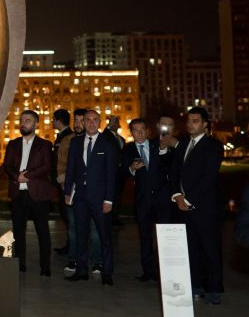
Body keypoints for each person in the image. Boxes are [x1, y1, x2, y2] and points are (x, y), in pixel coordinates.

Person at [170, 107, 224, 304]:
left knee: (210, 248)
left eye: (195, 121)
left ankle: (214, 288)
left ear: (204, 124)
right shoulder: (183, 144)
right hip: (182, 206)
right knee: (189, 248)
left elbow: (208, 178)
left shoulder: (214, 146)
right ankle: (195, 286)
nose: (190, 124)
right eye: (189, 120)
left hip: (205, 206)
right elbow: (174, 172)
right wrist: (177, 195)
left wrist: (188, 199)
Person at [64, 109, 117, 285]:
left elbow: (111, 174)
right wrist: (67, 192)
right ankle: (81, 270)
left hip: (101, 198)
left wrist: (109, 199)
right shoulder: (76, 143)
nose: (91, 123)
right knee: (80, 233)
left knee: (104, 235)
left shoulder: (108, 143)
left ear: (100, 122)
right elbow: (70, 169)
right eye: (88, 120)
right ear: (83, 123)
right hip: (80, 197)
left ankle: (107, 272)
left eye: (95, 120)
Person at [3, 110, 54, 276]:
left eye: (28, 120)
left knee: (42, 231)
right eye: (22, 120)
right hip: (18, 194)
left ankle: (45, 266)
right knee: (18, 231)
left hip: (38, 194)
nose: (23, 123)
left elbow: (47, 166)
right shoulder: (12, 144)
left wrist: (27, 176)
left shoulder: (45, 145)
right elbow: (7, 165)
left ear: (36, 124)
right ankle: (20, 264)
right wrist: (17, 176)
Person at [122, 118, 169, 282]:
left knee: (165, 237)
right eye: (136, 130)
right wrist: (131, 169)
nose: (140, 133)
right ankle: (149, 272)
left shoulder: (159, 145)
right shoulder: (128, 150)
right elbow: (121, 174)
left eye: (142, 129)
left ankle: (167, 270)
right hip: (143, 201)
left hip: (163, 199)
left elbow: (170, 166)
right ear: (131, 133)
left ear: (147, 130)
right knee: (145, 237)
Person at [51, 109, 75, 255]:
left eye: (54, 119)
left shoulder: (68, 137)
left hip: (66, 183)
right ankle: (70, 244)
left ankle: (72, 246)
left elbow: (66, 161)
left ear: (59, 120)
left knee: (68, 216)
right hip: (60, 182)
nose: (52, 122)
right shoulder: (61, 136)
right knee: (65, 216)